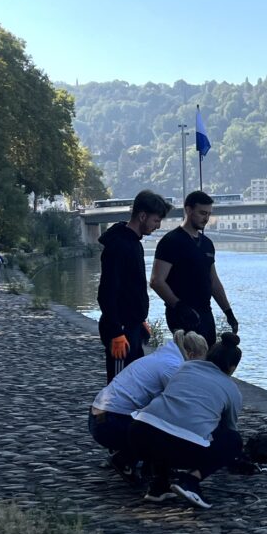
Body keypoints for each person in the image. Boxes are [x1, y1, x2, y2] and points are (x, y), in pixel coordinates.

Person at [88, 306, 208, 479]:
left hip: (97, 416)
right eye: (199, 362)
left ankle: (141, 462)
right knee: (166, 426)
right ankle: (130, 461)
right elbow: (180, 407)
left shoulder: (164, 355)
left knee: (154, 413)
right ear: (190, 354)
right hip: (110, 424)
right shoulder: (173, 368)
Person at [127, 333, 244, 508]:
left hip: (138, 433)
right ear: (232, 367)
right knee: (233, 441)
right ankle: (190, 481)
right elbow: (230, 427)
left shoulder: (184, 368)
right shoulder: (231, 389)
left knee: (166, 423)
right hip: (182, 446)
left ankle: (159, 485)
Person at [98, 190, 170, 383]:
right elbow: (107, 291)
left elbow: (131, 288)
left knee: (133, 384)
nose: (158, 226)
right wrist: (116, 331)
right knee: (119, 385)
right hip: (121, 331)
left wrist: (138, 319)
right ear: (142, 216)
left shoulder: (134, 244)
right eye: (156, 221)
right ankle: (109, 414)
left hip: (132, 327)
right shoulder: (119, 246)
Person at [150, 190, 238, 349]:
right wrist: (179, 306)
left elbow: (214, 281)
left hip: (205, 312)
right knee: (190, 359)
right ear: (188, 210)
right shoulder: (170, 241)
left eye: (209, 214)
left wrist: (228, 312)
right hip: (181, 315)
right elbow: (156, 281)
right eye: (202, 213)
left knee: (207, 359)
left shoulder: (207, 244)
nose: (206, 218)